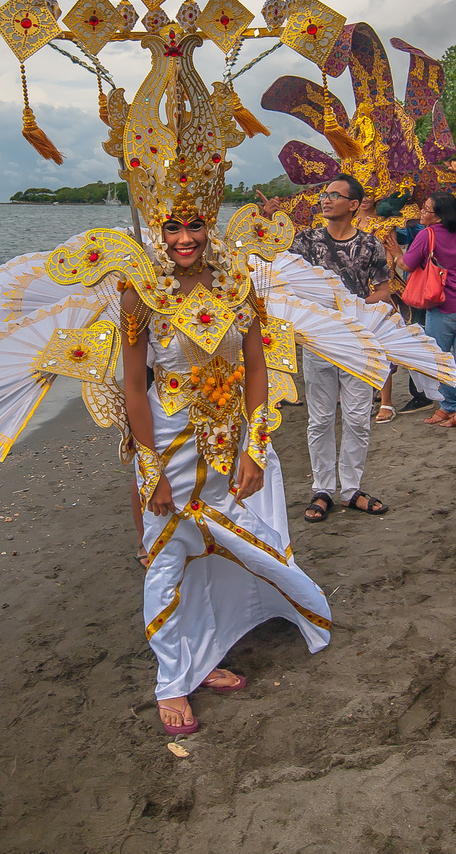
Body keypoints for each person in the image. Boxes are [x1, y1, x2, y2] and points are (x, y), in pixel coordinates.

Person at [122, 215, 331, 734]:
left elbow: (257, 368)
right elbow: (133, 388)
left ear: (208, 225)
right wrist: (152, 472)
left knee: (215, 550)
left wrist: (255, 450)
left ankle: (204, 653)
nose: (184, 239)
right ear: (158, 233)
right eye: (171, 228)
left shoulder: (238, 283)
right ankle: (172, 681)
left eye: (193, 225)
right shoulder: (139, 293)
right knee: (168, 553)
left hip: (226, 441)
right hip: (169, 446)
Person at [262, 175, 391, 521]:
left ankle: (350, 490)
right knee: (319, 419)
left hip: (357, 343)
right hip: (318, 342)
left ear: (353, 205)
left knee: (357, 418)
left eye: (335, 195)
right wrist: (265, 220)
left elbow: (384, 290)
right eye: (324, 194)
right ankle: (322, 489)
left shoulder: (370, 245)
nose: (326, 199)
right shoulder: (306, 241)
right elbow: (272, 263)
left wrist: (356, 308)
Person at [385, 160, 456, 430]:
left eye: (426, 209)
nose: (422, 211)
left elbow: (406, 265)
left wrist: (395, 254)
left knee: (438, 358)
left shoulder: (428, 235)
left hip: (444, 306)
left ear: (437, 216)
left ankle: (449, 406)